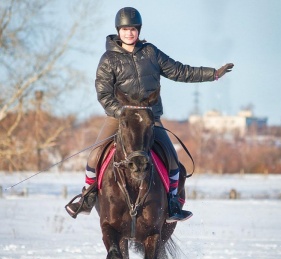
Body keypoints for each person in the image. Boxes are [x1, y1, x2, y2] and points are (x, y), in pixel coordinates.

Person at [65, 7, 234, 222]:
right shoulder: (108, 59)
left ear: (138, 30)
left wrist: (214, 74)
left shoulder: (151, 52)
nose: (129, 33)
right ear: (118, 31)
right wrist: (121, 111)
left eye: (133, 29)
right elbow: (103, 93)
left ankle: (172, 202)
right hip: (119, 119)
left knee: (172, 159)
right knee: (95, 155)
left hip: (150, 119)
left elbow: (180, 71)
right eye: (125, 29)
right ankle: (86, 197)